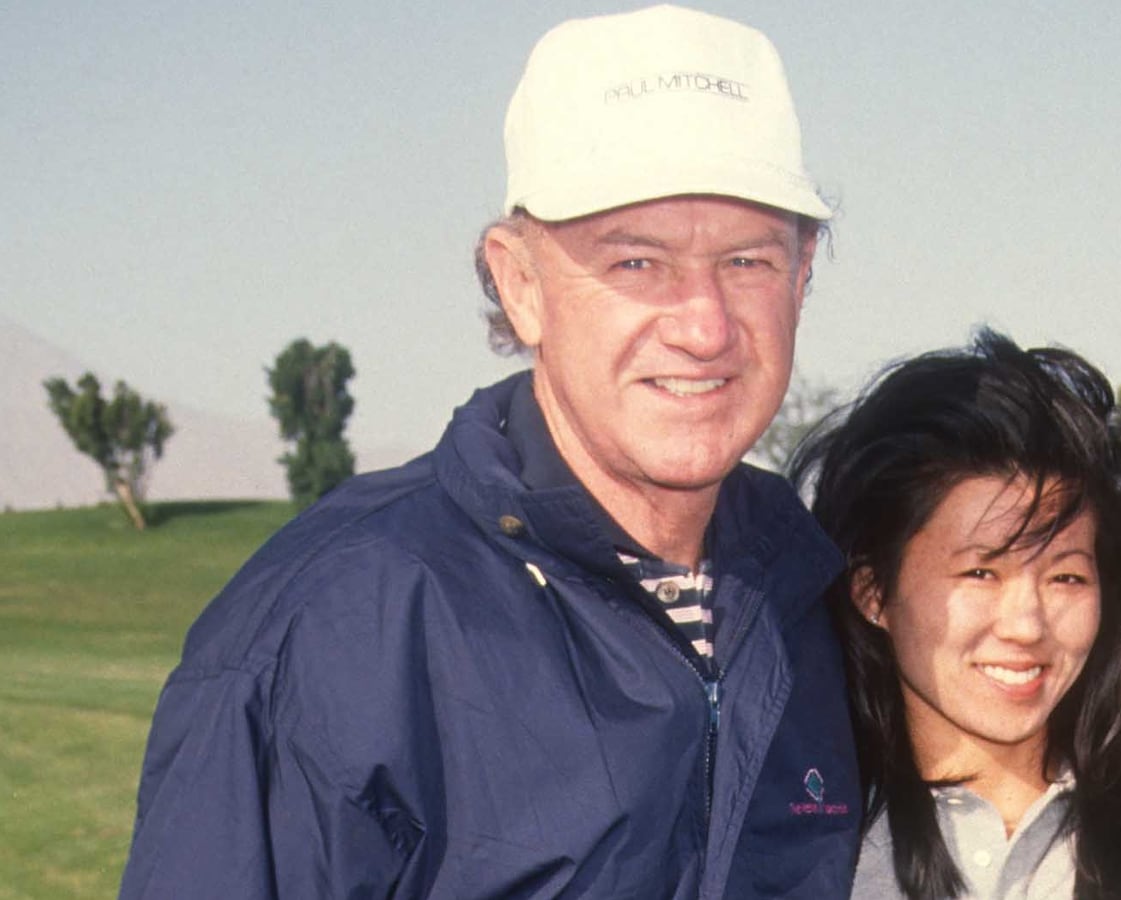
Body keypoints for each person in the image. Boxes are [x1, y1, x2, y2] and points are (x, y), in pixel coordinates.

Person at [119, 6, 859, 898]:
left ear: (803, 276)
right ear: (520, 283)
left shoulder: (819, 601)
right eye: (636, 264)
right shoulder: (336, 623)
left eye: (747, 262)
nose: (704, 326)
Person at [790, 329, 1121, 899]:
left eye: (1066, 577)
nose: (1027, 625)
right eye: (981, 572)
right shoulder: (792, 842)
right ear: (874, 592)